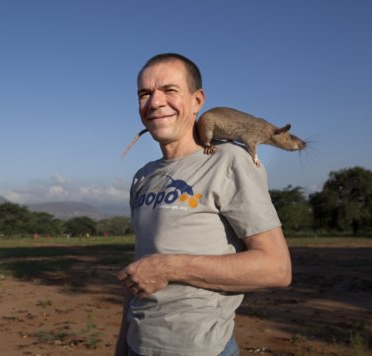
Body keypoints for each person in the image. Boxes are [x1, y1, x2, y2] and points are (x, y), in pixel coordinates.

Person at [115, 53, 292, 356]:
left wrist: (169, 266)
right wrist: (123, 347)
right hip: (138, 346)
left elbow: (277, 269)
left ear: (198, 101)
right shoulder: (143, 177)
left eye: (170, 91)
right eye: (145, 93)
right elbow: (141, 276)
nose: (155, 102)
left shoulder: (229, 161)